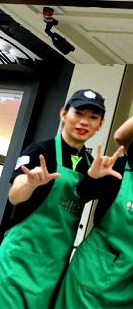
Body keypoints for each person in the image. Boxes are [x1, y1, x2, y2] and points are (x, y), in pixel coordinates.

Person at [53, 113, 133, 308]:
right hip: (89, 272)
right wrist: (92, 176)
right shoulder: (116, 166)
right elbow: (81, 194)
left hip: (130, 281)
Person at [0, 89, 107, 308]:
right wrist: (30, 183)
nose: (84, 122)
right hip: (18, 259)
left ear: (100, 125)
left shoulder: (90, 165)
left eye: (93, 117)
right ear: (63, 114)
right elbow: (15, 195)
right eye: (78, 113)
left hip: (53, 265)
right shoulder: (40, 150)